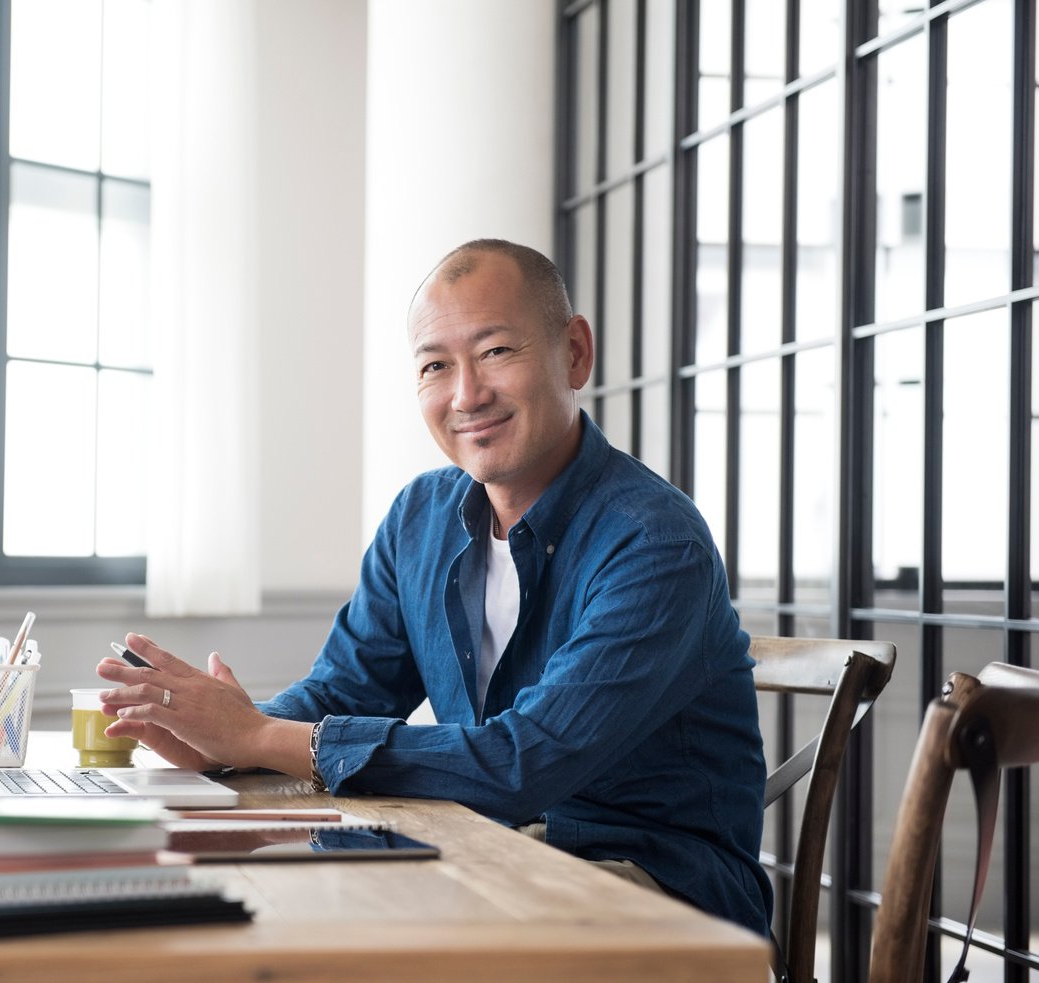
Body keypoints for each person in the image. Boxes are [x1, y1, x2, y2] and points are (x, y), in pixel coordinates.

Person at [96, 238, 773, 937]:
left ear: (574, 352)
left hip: (658, 891)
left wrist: (261, 734)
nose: (466, 394)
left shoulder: (655, 541)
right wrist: (224, 740)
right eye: (435, 365)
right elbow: (338, 695)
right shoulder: (419, 519)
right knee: (247, 907)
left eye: (496, 352)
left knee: (351, 932)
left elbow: (523, 763)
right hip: (486, 846)